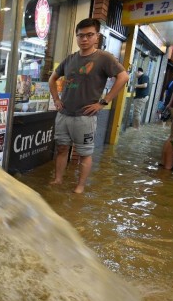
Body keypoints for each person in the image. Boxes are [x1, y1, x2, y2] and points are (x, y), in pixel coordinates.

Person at [48, 18, 129, 194]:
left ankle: (80, 187)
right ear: (76, 37)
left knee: (85, 153)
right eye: (80, 35)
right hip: (64, 113)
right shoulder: (70, 59)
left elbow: (123, 77)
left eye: (89, 35)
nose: (84, 39)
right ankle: (58, 179)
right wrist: (56, 99)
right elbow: (52, 79)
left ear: (97, 36)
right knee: (62, 148)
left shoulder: (104, 58)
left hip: (85, 116)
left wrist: (103, 102)